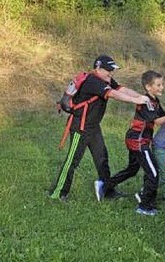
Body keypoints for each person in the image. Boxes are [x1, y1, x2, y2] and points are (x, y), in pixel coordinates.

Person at [50, 55, 150, 202]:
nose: (111, 73)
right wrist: (135, 100)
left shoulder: (105, 79)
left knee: (102, 158)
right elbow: (113, 94)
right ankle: (58, 193)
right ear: (98, 68)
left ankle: (108, 190)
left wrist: (142, 96)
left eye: (112, 70)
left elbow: (122, 89)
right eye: (108, 70)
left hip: (93, 127)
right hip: (81, 127)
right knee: (73, 161)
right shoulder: (93, 81)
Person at [99, 70, 165, 215]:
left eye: (162, 84)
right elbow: (158, 121)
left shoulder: (155, 101)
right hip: (138, 140)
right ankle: (144, 206)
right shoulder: (146, 101)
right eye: (158, 85)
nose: (162, 87)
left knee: (132, 169)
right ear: (148, 87)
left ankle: (105, 186)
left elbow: (162, 116)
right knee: (153, 173)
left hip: (137, 139)